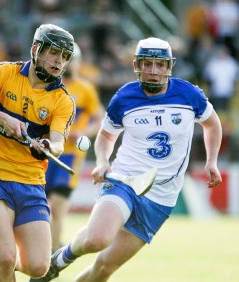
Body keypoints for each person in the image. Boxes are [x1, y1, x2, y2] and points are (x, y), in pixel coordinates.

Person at [32, 37, 222, 282]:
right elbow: (105, 136)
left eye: (160, 65)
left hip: (161, 198)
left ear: (169, 67)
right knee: (97, 239)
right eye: (147, 64)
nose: (153, 71)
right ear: (136, 65)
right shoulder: (124, 98)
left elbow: (213, 124)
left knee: (104, 268)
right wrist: (102, 161)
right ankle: (60, 259)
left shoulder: (189, 95)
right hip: (124, 181)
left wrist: (212, 161)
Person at [0, 23, 75, 281]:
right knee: (5, 257)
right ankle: (4, 264)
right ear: (36, 49)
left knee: (38, 267)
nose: (59, 61)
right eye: (54, 53)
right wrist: (3, 119)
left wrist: (47, 147)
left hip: (31, 184)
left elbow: (57, 143)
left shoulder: (63, 101)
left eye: (65, 57)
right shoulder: (4, 72)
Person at [44, 42, 104, 252]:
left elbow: (100, 120)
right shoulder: (49, 86)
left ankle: (51, 251)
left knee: (58, 205)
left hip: (71, 156)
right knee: (40, 206)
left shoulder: (85, 89)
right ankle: (47, 247)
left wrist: (83, 132)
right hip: (47, 154)